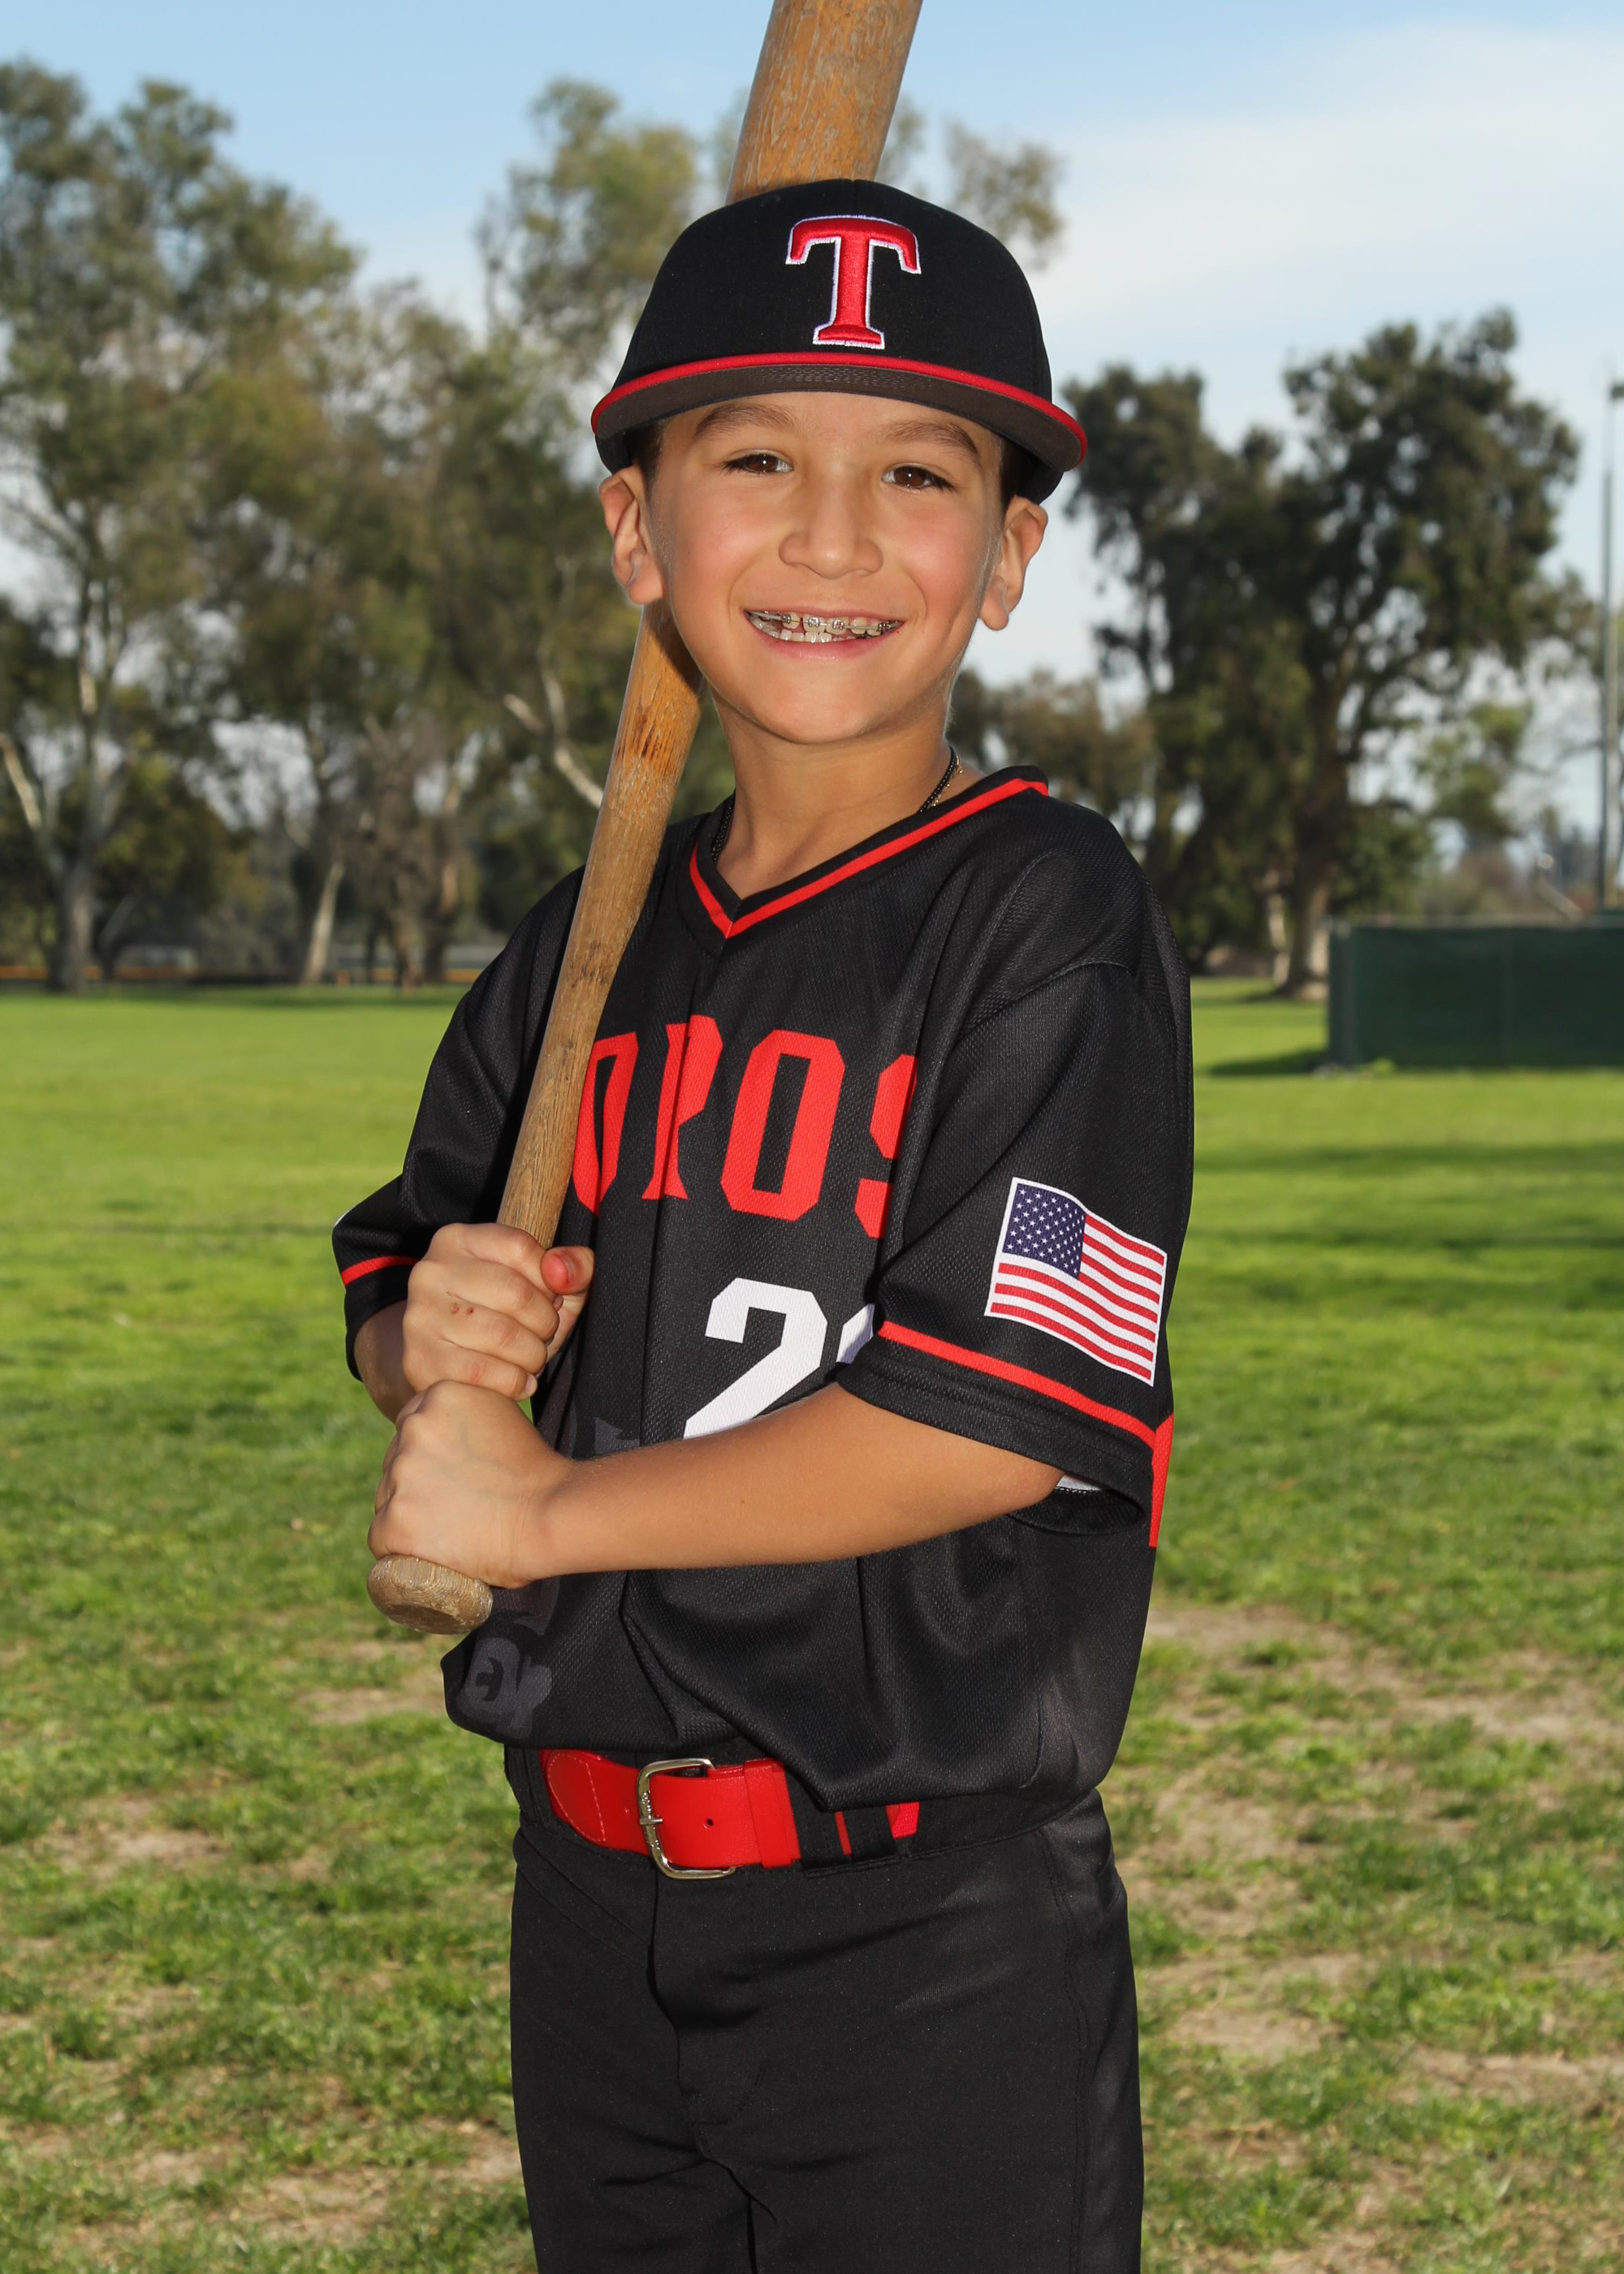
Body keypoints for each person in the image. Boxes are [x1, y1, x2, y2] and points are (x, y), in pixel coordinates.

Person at [336, 177, 1192, 2274]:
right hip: (589, 1904)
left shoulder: (1046, 915)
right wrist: (431, 1336)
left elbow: (991, 1421)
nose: (829, 537)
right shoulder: (588, 942)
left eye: (917, 473)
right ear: (638, 530)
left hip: (928, 1938)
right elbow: (409, 1268)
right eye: (755, 461)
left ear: (1008, 557)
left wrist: (544, 1512)